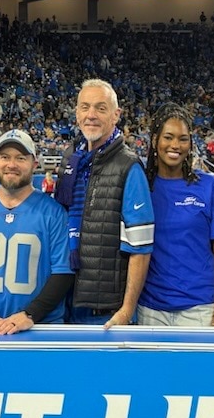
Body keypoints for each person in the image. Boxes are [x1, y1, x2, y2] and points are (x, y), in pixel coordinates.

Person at [55, 79, 153, 328]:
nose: (91, 115)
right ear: (76, 113)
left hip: (106, 312)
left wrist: (126, 309)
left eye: (100, 108)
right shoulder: (71, 159)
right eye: (85, 107)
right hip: (65, 300)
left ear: (115, 115)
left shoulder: (129, 167)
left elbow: (140, 248)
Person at [0, 129, 73, 334]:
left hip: (41, 328)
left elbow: (63, 272)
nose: (12, 164)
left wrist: (30, 314)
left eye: (20, 158)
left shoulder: (53, 213)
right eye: (5, 157)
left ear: (34, 164)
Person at [138, 104, 214, 327]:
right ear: (154, 141)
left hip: (200, 307)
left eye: (183, 139)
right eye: (168, 137)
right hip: (151, 308)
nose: (175, 145)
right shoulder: (140, 187)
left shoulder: (211, 187)